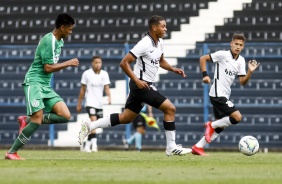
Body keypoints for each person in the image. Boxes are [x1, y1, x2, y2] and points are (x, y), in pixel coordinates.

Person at [78, 15, 192, 156]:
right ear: (154, 27)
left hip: (142, 85)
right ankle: (171, 147)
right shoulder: (144, 43)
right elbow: (124, 63)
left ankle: (90, 125)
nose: (165, 29)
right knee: (170, 109)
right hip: (141, 86)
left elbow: (160, 60)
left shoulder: (160, 42)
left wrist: (173, 69)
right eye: (163, 26)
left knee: (126, 118)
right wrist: (137, 81)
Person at [5, 13, 78, 160]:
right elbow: (47, 68)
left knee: (65, 115)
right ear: (62, 27)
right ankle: (12, 152)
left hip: (45, 84)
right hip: (34, 82)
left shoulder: (59, 41)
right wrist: (68, 63)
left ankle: (27, 119)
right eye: (69, 29)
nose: (71, 32)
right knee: (37, 120)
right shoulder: (48, 41)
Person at [192, 33, 260, 156]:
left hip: (225, 94)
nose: (238, 47)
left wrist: (250, 71)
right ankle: (210, 124)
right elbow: (203, 58)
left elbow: (242, 82)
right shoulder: (223, 55)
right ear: (231, 44)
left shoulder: (241, 61)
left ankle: (198, 147)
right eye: (236, 44)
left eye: (241, 45)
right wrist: (205, 75)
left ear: (243, 47)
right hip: (217, 93)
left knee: (221, 125)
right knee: (237, 117)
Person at [76, 56, 111, 153]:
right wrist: (79, 103)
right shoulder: (86, 74)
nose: (98, 64)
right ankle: (94, 146)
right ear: (92, 63)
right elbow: (82, 89)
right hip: (90, 102)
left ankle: (87, 145)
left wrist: (109, 96)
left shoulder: (104, 74)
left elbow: (106, 87)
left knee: (96, 125)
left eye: (99, 62)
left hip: (99, 104)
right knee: (94, 122)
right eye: (96, 62)